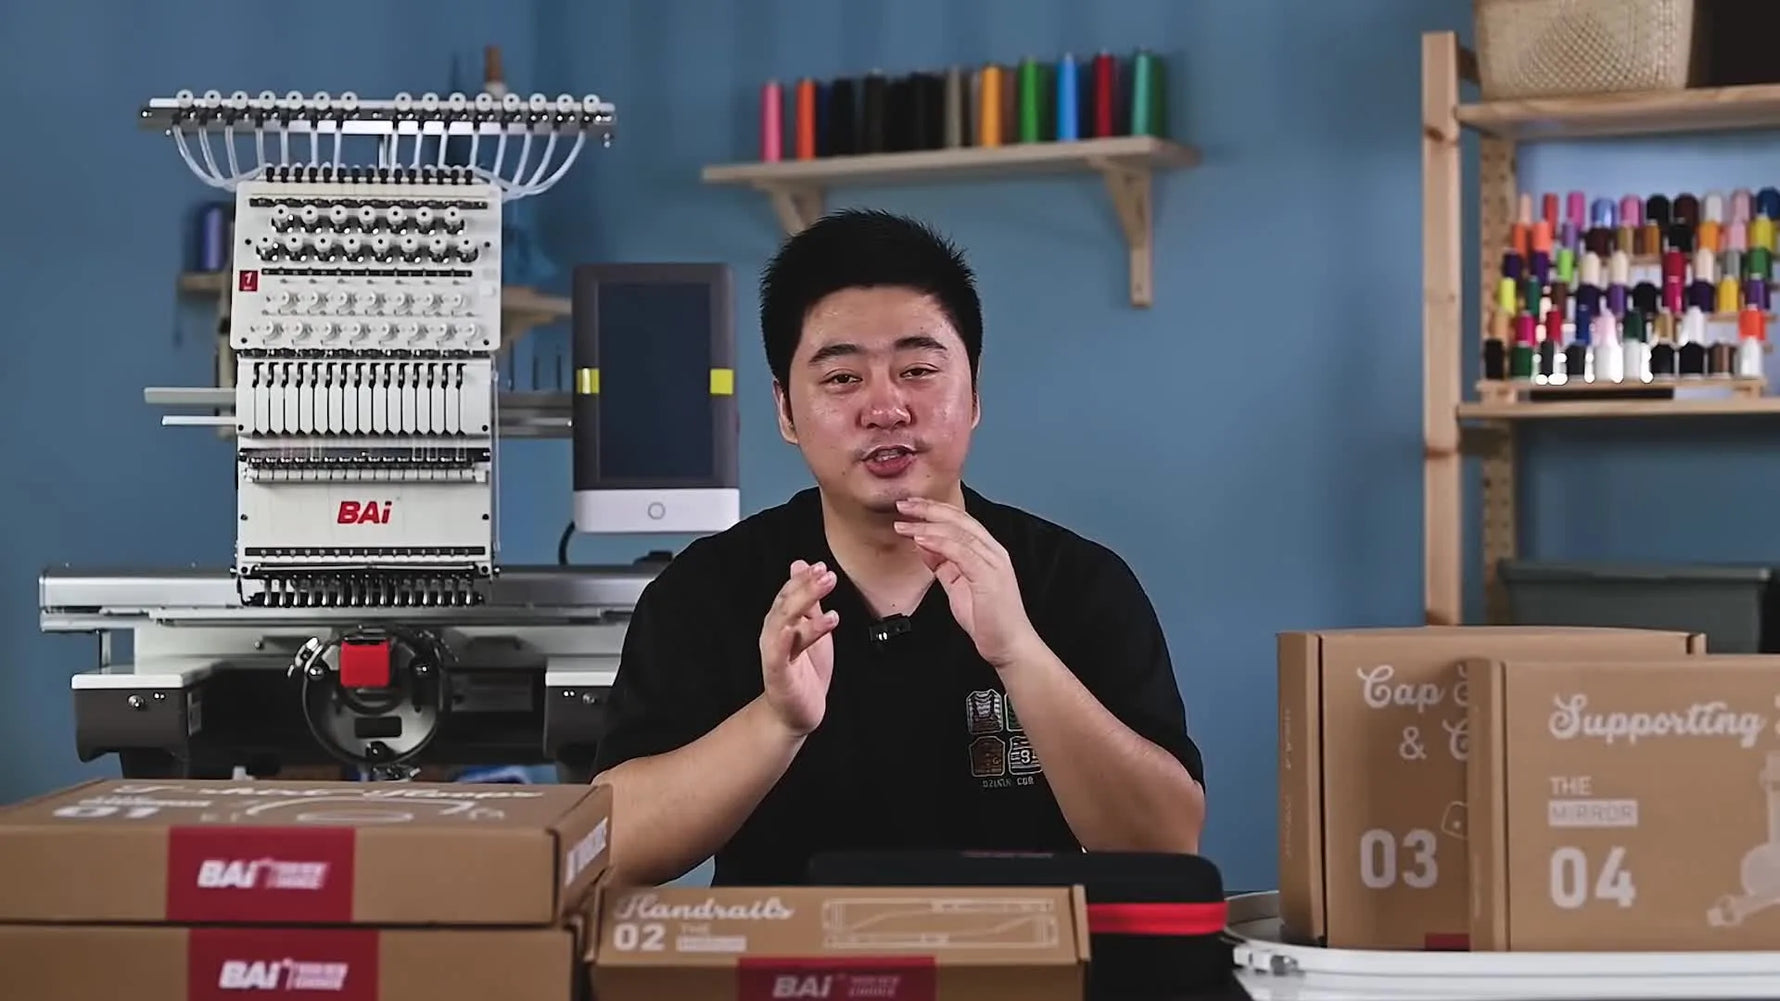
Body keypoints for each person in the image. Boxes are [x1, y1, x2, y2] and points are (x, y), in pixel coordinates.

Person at [588, 209, 1206, 887]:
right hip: (784, 979)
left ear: (973, 392)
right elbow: (613, 848)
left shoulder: (1076, 581)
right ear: (786, 411)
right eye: (842, 378)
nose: (886, 408)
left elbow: (1165, 840)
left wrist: (1019, 653)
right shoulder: (709, 588)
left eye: (918, 369)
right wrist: (775, 722)